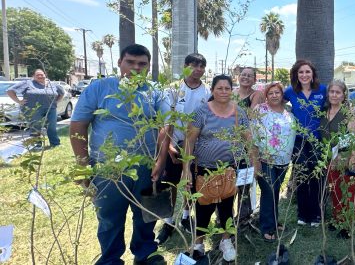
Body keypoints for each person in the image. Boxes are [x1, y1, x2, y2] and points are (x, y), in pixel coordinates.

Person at [69, 44, 167, 265]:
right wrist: (82, 165)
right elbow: (78, 126)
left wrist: (160, 159)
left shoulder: (155, 92)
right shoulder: (100, 88)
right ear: (120, 62)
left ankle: (145, 254)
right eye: (130, 62)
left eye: (142, 64)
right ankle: (110, 258)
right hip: (107, 168)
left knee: (146, 214)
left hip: (145, 166)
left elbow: (164, 126)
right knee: (109, 217)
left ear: (148, 66)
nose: (136, 68)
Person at [180, 74, 258, 262]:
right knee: (203, 206)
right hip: (204, 168)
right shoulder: (201, 112)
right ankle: (198, 243)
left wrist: (255, 162)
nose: (223, 92)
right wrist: (186, 169)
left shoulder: (239, 111)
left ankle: (225, 240)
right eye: (219, 88)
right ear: (213, 90)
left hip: (230, 169)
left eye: (227, 88)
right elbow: (190, 141)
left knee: (226, 206)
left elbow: (248, 139)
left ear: (232, 91)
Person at [150, 53, 211, 245]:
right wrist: (168, 146)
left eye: (202, 66)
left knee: (191, 182)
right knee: (171, 183)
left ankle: (186, 216)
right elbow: (166, 122)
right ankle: (168, 222)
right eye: (194, 65)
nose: (198, 70)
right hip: (174, 143)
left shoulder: (207, 92)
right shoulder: (174, 88)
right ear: (185, 66)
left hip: (196, 145)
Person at [283, 59, 327, 227]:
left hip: (318, 140)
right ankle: (303, 214)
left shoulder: (322, 90)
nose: (304, 75)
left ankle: (316, 214)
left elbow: (338, 102)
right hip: (299, 140)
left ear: (313, 74)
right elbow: (275, 100)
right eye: (300, 72)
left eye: (307, 72)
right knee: (301, 176)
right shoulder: (290, 91)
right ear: (296, 75)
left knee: (317, 176)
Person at [252, 82, 296, 241]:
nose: (274, 95)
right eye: (271, 93)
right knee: (268, 192)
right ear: (266, 95)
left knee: (275, 190)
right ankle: (266, 228)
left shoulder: (289, 113)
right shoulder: (260, 110)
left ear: (282, 95)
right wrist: (255, 160)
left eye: (277, 92)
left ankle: (274, 221)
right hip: (265, 160)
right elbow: (253, 135)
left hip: (283, 160)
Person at [321, 80, 355, 239]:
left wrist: (352, 158)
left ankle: (350, 225)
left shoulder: (349, 112)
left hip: (350, 158)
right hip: (332, 159)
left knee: (352, 193)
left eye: (337, 92)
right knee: (336, 190)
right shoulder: (324, 110)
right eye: (331, 91)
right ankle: (338, 219)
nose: (334, 95)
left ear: (344, 94)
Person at [232, 66, 265, 225]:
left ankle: (243, 216)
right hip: (230, 142)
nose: (245, 77)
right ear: (239, 76)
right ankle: (225, 216)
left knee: (244, 180)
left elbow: (249, 117)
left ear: (254, 79)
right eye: (243, 75)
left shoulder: (256, 94)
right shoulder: (232, 92)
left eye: (249, 76)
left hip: (247, 142)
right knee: (228, 178)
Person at [7, 69, 65, 149]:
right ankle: (37, 145)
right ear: (33, 76)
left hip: (51, 108)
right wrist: (18, 101)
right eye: (37, 75)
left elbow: (61, 93)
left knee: (52, 126)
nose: (40, 76)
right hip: (33, 109)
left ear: (45, 75)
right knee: (35, 126)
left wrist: (56, 102)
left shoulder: (52, 84)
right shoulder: (27, 83)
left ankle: (55, 143)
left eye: (41, 74)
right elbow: (10, 91)